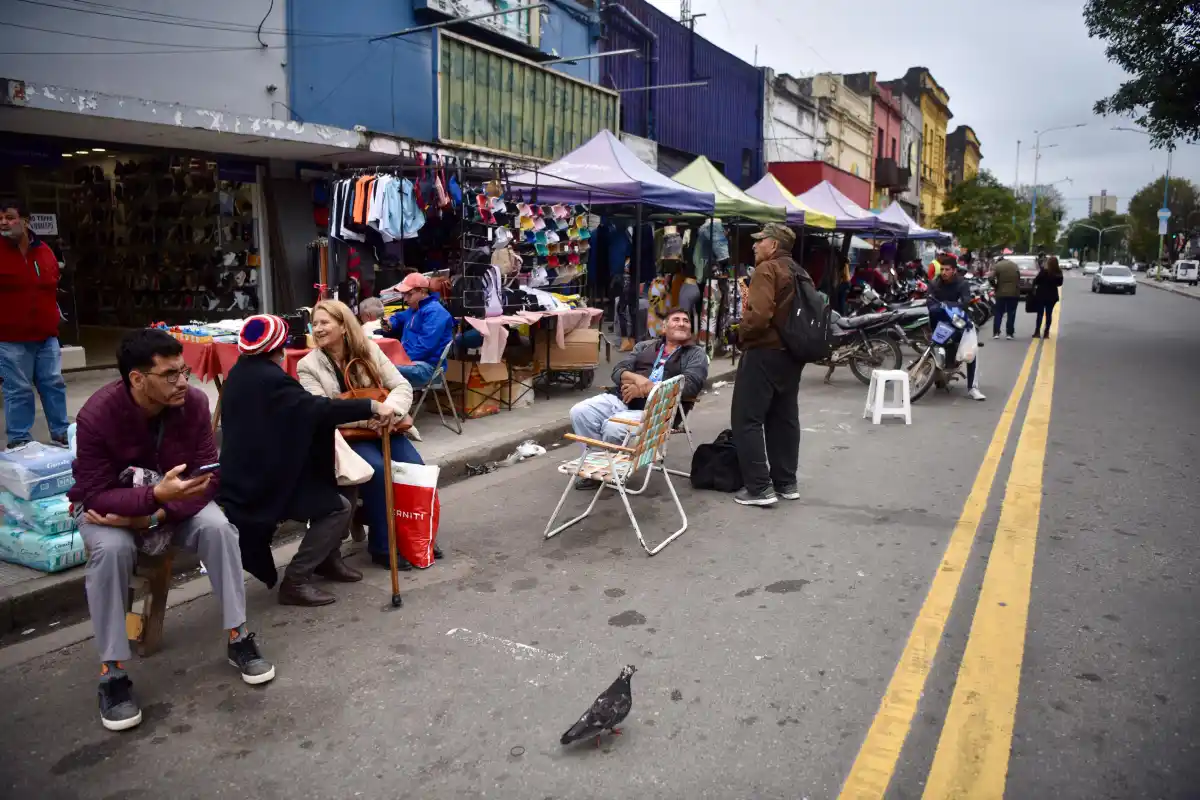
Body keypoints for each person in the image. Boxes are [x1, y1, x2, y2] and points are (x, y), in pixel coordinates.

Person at [68, 328, 275, 732]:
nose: (183, 382)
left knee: (219, 527)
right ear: (137, 379)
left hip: (167, 509)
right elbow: (93, 494)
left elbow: (210, 478)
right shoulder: (96, 416)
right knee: (111, 551)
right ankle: (111, 672)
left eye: (184, 371)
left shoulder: (195, 404)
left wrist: (154, 513)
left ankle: (238, 635)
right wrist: (148, 502)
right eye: (170, 375)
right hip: (109, 512)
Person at [218, 314, 399, 607]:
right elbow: (316, 408)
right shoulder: (269, 379)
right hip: (260, 480)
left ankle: (328, 558)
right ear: (277, 348)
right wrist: (370, 405)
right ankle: (296, 580)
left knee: (346, 481)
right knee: (337, 508)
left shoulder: (244, 371)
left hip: (268, 465)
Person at [297, 300, 441, 570]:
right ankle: (383, 546)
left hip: (384, 425)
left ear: (343, 326)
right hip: (344, 436)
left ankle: (415, 536)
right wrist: (372, 414)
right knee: (377, 471)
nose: (317, 329)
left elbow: (400, 385)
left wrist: (391, 411)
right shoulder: (308, 365)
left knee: (415, 469)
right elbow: (322, 409)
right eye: (314, 324)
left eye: (325, 322)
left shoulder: (370, 350)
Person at [568, 308, 707, 490]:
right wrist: (636, 379)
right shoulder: (645, 346)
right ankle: (601, 466)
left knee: (613, 427)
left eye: (686, 321)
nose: (682, 323)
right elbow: (618, 370)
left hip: (659, 409)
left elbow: (690, 384)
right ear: (664, 328)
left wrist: (645, 389)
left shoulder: (696, 354)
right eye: (676, 319)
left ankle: (614, 467)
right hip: (623, 398)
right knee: (580, 412)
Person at [731, 223, 807, 508]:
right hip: (792, 354)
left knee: (746, 418)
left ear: (773, 245)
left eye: (759, 240)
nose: (754, 245)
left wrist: (740, 332)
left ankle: (760, 488)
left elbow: (760, 316)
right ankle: (786, 483)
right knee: (783, 417)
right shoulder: (800, 271)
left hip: (764, 352)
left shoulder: (767, 269)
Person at [0, 198, 70, 449]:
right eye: (0, 219)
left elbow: (52, 285)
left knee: (53, 384)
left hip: (46, 335)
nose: (4, 223)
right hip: (10, 338)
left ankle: (62, 433)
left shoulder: (45, 251)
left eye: (9, 217)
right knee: (17, 389)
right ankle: (19, 440)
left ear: (26, 221)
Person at [380, 273, 454, 386]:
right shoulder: (414, 309)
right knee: (378, 366)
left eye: (409, 294)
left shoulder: (435, 312)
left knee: (380, 368)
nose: (405, 299)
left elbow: (425, 347)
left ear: (422, 291)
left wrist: (401, 359)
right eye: (404, 295)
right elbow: (397, 317)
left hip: (428, 368)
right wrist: (390, 324)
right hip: (414, 362)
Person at [930, 259, 986, 401]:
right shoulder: (934, 283)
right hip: (939, 322)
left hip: (959, 323)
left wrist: (946, 305)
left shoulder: (962, 283)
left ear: (954, 270)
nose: (944, 272)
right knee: (932, 347)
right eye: (942, 269)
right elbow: (929, 302)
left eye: (947, 269)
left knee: (971, 352)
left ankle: (973, 388)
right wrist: (941, 307)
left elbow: (965, 302)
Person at [990, 254, 1021, 340]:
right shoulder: (1014, 265)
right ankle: (1009, 333)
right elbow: (1019, 277)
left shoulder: (997, 266)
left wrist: (995, 286)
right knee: (1011, 313)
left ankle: (996, 332)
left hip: (1001, 293)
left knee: (998, 313)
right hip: (1014, 293)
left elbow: (990, 278)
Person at [1031, 256, 1064, 339]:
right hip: (1052, 295)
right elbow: (1060, 284)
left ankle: (1037, 331)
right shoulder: (1058, 272)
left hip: (1041, 294)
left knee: (1040, 314)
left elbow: (1036, 281)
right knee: (1049, 314)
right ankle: (1046, 332)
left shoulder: (1044, 271)